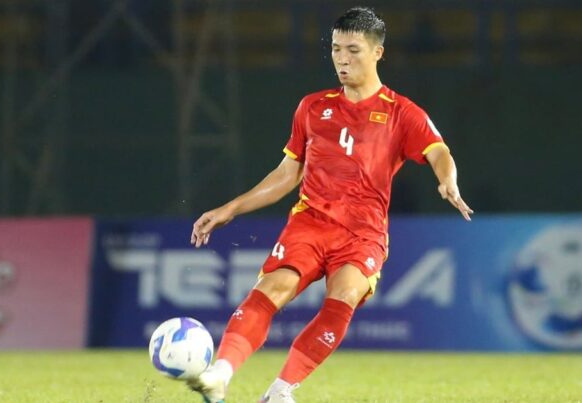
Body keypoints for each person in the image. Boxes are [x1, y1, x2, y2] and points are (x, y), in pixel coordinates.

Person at [187, 7, 472, 403]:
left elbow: (438, 151)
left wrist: (447, 179)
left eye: (353, 50)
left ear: (377, 53)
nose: (342, 59)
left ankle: (280, 391)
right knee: (273, 288)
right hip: (311, 223)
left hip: (363, 233)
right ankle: (220, 374)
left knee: (345, 295)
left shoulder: (401, 112)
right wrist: (230, 209)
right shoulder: (312, 107)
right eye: (336, 49)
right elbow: (286, 175)